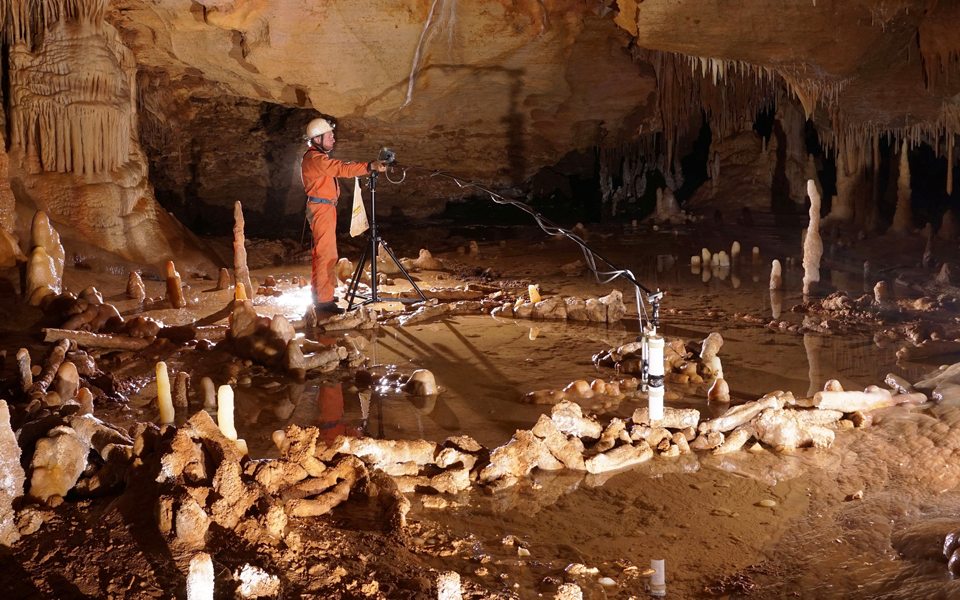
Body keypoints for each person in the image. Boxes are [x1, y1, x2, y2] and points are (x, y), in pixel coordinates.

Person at [300, 117, 387, 314]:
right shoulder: (315, 158)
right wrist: (369, 166)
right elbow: (341, 169)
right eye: (330, 136)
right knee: (327, 255)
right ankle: (323, 300)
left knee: (322, 253)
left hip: (324, 208)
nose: (334, 139)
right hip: (322, 209)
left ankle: (321, 293)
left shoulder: (316, 157)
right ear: (318, 139)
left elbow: (339, 168)